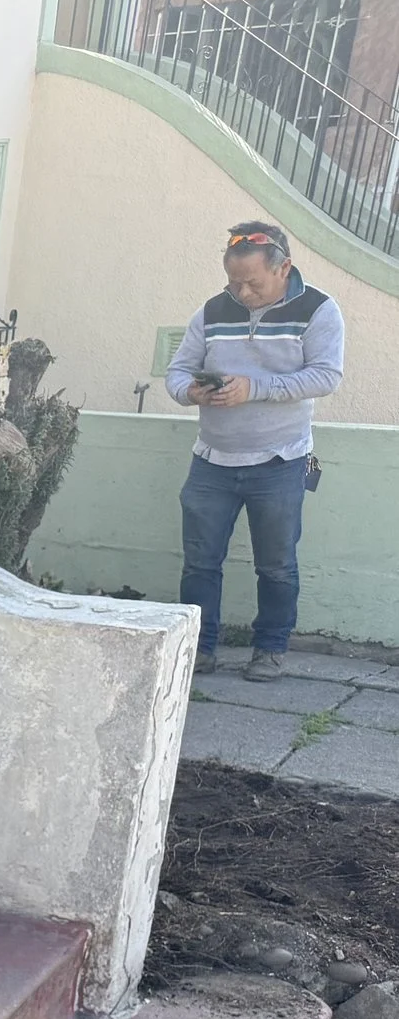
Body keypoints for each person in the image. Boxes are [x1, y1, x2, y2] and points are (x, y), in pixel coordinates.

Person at [165, 219, 344, 682]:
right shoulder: (210, 311)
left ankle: (269, 650)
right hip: (211, 461)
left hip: (283, 461)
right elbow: (178, 372)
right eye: (233, 282)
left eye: (253, 283)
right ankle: (198, 650)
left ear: (284, 267)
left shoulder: (320, 310)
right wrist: (192, 393)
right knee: (200, 562)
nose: (241, 293)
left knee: (277, 564)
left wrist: (254, 388)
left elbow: (325, 376)